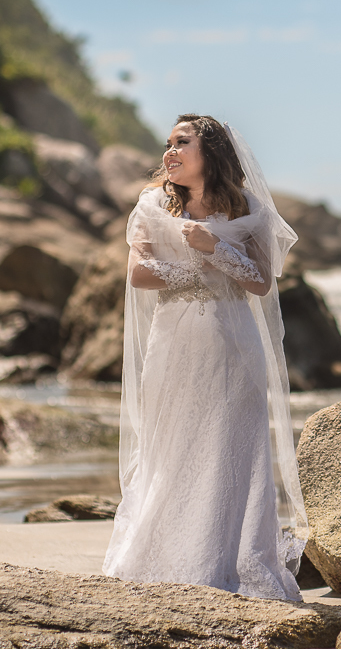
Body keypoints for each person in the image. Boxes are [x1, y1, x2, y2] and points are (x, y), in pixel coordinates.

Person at [102, 114, 306, 601]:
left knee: (231, 449)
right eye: (168, 144)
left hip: (234, 345)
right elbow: (138, 273)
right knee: (173, 447)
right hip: (175, 343)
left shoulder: (247, 207)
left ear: (210, 153)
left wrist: (214, 246)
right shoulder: (152, 204)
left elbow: (260, 282)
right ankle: (166, 556)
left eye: (182, 143)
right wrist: (197, 270)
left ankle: (230, 559)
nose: (170, 153)